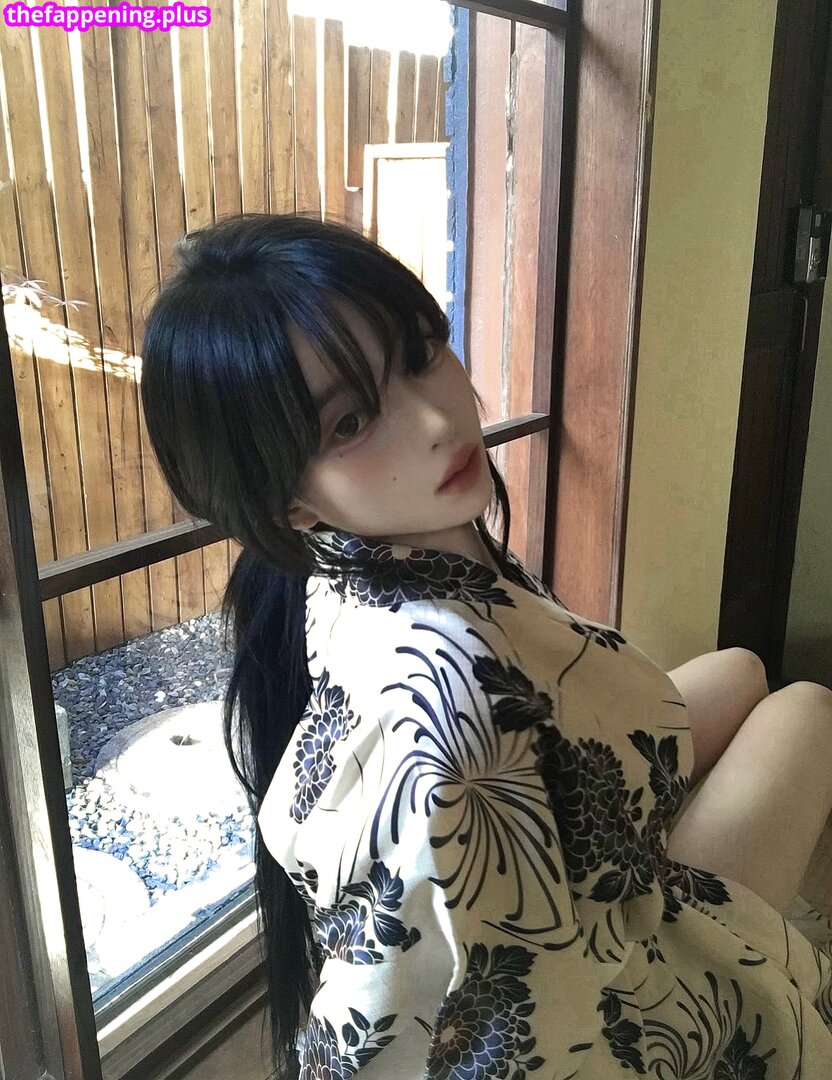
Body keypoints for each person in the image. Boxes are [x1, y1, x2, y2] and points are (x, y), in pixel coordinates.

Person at [139, 211, 832, 1079]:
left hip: (578, 818)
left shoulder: (359, 557)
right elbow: (442, 1033)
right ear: (287, 500)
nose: (437, 417)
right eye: (351, 422)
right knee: (809, 708)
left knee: (744, 669)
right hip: (633, 986)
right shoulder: (442, 729)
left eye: (422, 352)